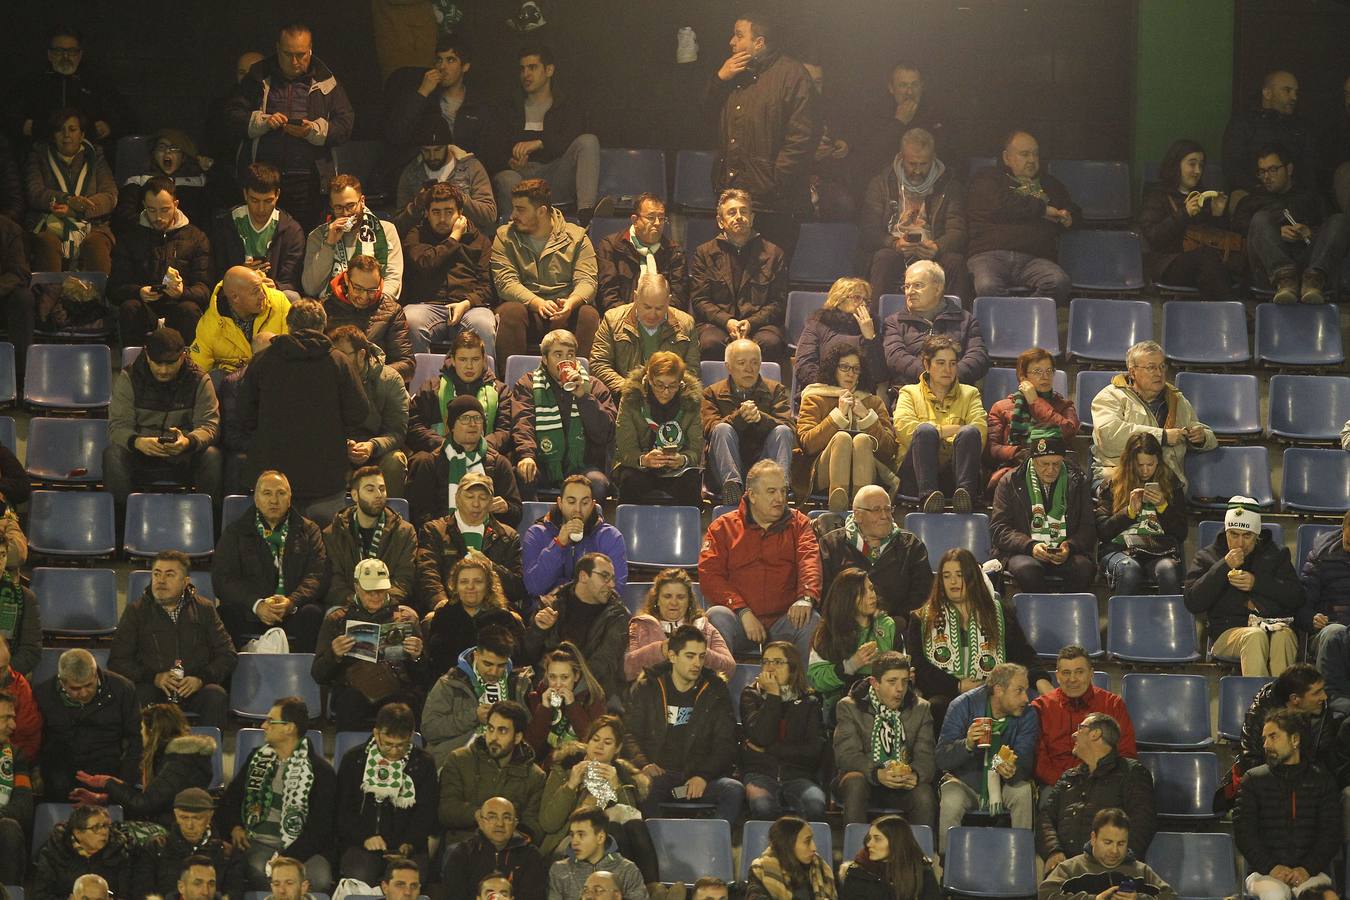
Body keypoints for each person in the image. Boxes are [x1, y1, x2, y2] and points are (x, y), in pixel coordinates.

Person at [238, 300, 372, 524]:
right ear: (323, 325)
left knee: (273, 545)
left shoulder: (264, 360)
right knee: (327, 547)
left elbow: (243, 414)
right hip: (326, 477)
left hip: (274, 476)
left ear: (288, 324)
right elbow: (358, 413)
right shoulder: (338, 362)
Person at [706, 11, 817, 254]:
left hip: (775, 204)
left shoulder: (792, 75)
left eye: (738, 35)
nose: (731, 42)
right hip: (734, 198)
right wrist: (719, 80)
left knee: (771, 279)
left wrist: (775, 181)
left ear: (759, 42)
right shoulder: (733, 76)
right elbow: (702, 120)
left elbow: (803, 138)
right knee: (732, 278)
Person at [226, 24, 355, 232]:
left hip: (310, 183)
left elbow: (346, 126)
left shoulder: (327, 81)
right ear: (277, 49)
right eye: (288, 54)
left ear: (311, 50)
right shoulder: (257, 77)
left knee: (309, 239)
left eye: (301, 54)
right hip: (264, 182)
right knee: (264, 242)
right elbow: (232, 117)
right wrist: (263, 122)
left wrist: (313, 131)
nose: (295, 61)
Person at [907, 548, 1047, 727]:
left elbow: (1023, 655)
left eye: (959, 575)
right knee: (936, 706)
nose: (953, 582)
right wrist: (957, 686)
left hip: (993, 692)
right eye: (947, 576)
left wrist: (1042, 682)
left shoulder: (1000, 613)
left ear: (972, 577)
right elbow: (919, 666)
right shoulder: (922, 618)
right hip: (945, 695)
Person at [700, 459, 822, 663]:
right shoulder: (722, 527)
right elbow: (710, 576)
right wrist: (742, 610)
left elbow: (809, 561)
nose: (780, 498)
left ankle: (805, 693)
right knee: (716, 616)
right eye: (772, 491)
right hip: (739, 620)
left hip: (784, 620)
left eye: (783, 491)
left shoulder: (799, 523)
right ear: (753, 495)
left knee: (812, 621)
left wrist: (806, 598)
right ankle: (717, 692)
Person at [625, 624, 745, 824]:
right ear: (672, 656)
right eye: (690, 656)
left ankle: (709, 848)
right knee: (643, 788)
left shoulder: (715, 689)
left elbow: (726, 742)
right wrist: (643, 764)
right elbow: (629, 733)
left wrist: (703, 776)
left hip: (700, 776)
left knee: (733, 790)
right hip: (660, 775)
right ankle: (660, 850)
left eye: (701, 656)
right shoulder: (649, 686)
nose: (697, 663)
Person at [107, 550, 236, 729]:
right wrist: (154, 677)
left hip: (193, 688)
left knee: (216, 696)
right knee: (137, 695)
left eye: (169, 575)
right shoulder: (136, 611)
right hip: (153, 688)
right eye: (156, 574)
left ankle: (207, 754)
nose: (160, 580)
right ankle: (143, 753)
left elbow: (227, 655)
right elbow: (117, 660)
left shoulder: (205, 609)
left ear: (185, 582)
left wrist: (200, 678)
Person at [219, 696, 336, 891]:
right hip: (258, 843)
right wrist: (235, 827)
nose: (264, 726)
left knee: (320, 879)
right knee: (261, 872)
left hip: (304, 849)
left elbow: (321, 827)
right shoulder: (256, 760)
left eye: (271, 721)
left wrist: (289, 858)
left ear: (289, 727)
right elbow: (230, 800)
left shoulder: (320, 771)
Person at [105, 327, 223, 519]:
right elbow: (117, 426)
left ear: (183, 356)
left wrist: (189, 442)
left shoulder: (199, 380)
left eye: (170, 363)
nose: (163, 370)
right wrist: (136, 442)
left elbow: (210, 425)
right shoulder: (129, 378)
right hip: (141, 454)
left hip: (184, 455)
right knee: (113, 455)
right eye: (157, 363)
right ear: (147, 355)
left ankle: (209, 525)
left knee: (212, 456)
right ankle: (121, 526)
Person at [1184, 497, 1304, 677]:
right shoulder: (1208, 557)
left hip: (1274, 624)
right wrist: (1223, 566)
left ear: (1257, 535)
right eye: (1234, 534)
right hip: (1229, 632)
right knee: (1254, 637)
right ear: (1226, 532)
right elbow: (1193, 601)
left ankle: (1282, 702)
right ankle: (1259, 702)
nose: (1240, 543)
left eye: (1247, 536)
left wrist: (1257, 583)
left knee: (1283, 636)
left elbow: (1296, 597)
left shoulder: (1276, 555)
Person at [214, 470, 328, 653]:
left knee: (314, 614)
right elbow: (223, 579)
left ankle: (303, 678)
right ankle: (231, 680)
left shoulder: (309, 530)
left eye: (281, 493)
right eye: (267, 493)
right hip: (250, 612)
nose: (274, 500)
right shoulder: (235, 532)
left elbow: (317, 575)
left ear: (290, 498)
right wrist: (256, 604)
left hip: (293, 611)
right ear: (256, 499)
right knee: (225, 614)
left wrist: (291, 601)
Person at [1233, 709, 1340, 900]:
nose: (1266, 745)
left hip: (1312, 872)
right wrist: (1271, 867)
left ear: (1295, 740)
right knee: (1275, 894)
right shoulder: (1252, 780)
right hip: (1263, 872)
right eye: (1264, 739)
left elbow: (1330, 833)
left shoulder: (1323, 781)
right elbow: (1244, 834)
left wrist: (1307, 868)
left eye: (1273, 737)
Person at [490, 46, 604, 223]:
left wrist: (540, 142)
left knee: (588, 141)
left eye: (533, 67)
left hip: (555, 174)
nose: (526, 74)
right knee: (506, 178)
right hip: (521, 177)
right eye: (522, 69)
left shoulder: (565, 105)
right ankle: (514, 231)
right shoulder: (509, 107)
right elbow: (491, 146)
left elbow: (572, 136)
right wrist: (510, 162)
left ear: (549, 70)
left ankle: (586, 216)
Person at [536, 716, 657, 883]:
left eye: (607, 742)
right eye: (595, 739)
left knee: (634, 826)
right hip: (570, 841)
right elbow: (548, 823)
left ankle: (652, 887)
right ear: (588, 742)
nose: (599, 746)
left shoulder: (623, 775)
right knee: (613, 830)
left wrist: (616, 787)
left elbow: (630, 815)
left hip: (608, 841)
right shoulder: (564, 769)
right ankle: (631, 890)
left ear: (617, 748)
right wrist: (571, 785)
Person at [935, 663, 1039, 854]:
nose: (1026, 698)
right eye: (1019, 691)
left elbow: (1026, 758)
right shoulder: (962, 706)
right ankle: (946, 864)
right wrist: (966, 744)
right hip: (965, 781)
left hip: (1004, 784)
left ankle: (1021, 859)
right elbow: (942, 758)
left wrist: (1014, 769)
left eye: (1026, 690)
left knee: (1023, 791)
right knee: (950, 800)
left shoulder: (1028, 713)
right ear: (999, 690)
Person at [965, 130, 1080, 303]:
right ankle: (1009, 323)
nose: (1032, 160)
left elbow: (1073, 209)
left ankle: (1024, 318)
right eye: (1025, 154)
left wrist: (1069, 216)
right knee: (987, 285)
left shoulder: (1050, 183)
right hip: (989, 255)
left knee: (1059, 281)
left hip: (1034, 258)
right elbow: (1000, 205)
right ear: (1006, 157)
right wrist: (1043, 210)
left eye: (1035, 154)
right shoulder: (988, 178)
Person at [493, 180, 601, 362]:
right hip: (527, 309)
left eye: (520, 209)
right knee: (511, 311)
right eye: (513, 208)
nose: (512, 215)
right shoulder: (505, 236)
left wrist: (571, 302)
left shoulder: (577, 237)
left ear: (542, 211)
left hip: (564, 309)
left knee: (588, 315)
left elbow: (587, 280)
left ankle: (580, 382)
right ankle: (511, 382)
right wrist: (536, 302)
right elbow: (505, 282)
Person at [313, 559, 425, 730]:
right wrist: (334, 654)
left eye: (380, 590)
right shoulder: (337, 619)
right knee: (350, 701)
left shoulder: (406, 618)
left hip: (395, 688)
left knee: (407, 702)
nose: (376, 596)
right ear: (357, 587)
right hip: (353, 691)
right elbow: (318, 674)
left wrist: (418, 656)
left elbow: (424, 677)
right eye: (369, 591)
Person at [864, 128, 969, 309]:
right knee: (883, 259)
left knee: (956, 263)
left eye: (924, 164)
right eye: (912, 164)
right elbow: (868, 229)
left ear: (933, 158)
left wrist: (938, 246)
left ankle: (957, 326)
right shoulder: (881, 183)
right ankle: (875, 323)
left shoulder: (949, 185)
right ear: (901, 157)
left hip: (932, 250)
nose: (918, 170)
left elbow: (957, 231)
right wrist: (894, 243)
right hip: (895, 250)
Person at [1230, 143, 1348, 304]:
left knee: (1340, 220)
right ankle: (1285, 279)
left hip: (1310, 267)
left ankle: (1313, 280)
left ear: (1289, 169)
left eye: (1273, 170)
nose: (1267, 176)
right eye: (1262, 171)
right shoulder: (1252, 200)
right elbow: (1239, 229)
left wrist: (1309, 232)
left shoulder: (1311, 197)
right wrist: (1275, 232)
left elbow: (1331, 232)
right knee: (1260, 219)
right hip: (1270, 273)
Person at [334, 702, 439, 883]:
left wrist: (408, 845)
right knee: (361, 876)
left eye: (401, 745)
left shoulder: (423, 763)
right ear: (376, 734)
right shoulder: (354, 760)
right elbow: (342, 812)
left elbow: (426, 814)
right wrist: (365, 838)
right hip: (361, 845)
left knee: (406, 882)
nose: (394, 751)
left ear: (411, 736)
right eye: (388, 744)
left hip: (409, 848)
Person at [1036, 713, 1156, 870]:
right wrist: (1053, 851)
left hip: (1109, 871)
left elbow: (1141, 827)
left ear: (1095, 734)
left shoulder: (1132, 773)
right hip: (1064, 869)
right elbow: (1045, 817)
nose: (1073, 735)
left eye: (1080, 728)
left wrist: (1113, 862)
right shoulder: (1069, 777)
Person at [508, 330, 616, 502]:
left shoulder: (594, 387)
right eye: (558, 355)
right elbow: (522, 423)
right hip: (541, 462)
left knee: (599, 484)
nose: (565, 361)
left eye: (570, 355)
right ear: (544, 359)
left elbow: (605, 433)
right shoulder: (527, 385)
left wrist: (583, 397)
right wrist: (526, 456)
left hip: (583, 466)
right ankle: (537, 527)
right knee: (522, 475)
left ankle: (584, 529)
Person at [1090, 341, 1216, 488]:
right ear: (1132, 372)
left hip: (1165, 482)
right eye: (1151, 368)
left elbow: (1209, 436)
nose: (1159, 373)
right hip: (1119, 477)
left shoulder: (1176, 399)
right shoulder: (1110, 396)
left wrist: (1201, 438)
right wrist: (1162, 436)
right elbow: (1108, 435)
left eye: (1162, 366)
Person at [833, 651, 936, 828]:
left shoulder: (921, 708)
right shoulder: (849, 706)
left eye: (905, 681)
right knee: (855, 782)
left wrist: (916, 774)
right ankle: (854, 852)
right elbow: (846, 755)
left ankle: (921, 854)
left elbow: (926, 756)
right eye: (892, 681)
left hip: (902, 783)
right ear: (875, 683)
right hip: (865, 779)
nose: (900, 689)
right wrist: (876, 773)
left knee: (924, 793)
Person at [70, 704, 215, 826]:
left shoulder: (180, 761)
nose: (140, 734)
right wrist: (103, 799)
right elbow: (154, 799)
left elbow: (145, 805)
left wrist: (107, 783)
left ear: (151, 731)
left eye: (141, 729)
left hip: (175, 831)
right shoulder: (171, 757)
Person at [991, 428, 1098, 593]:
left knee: (1083, 569)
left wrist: (1070, 546)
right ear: (1033, 460)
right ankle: (1037, 617)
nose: (1050, 470)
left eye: (1056, 464)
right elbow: (999, 529)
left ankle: (1068, 614)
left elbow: (1088, 527)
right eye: (1044, 464)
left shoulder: (1077, 480)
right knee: (1028, 570)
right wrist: (1030, 545)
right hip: (1023, 551)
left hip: (1065, 551)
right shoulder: (1010, 481)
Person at [109, 177, 213, 347]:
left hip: (179, 308)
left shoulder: (196, 237)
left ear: (176, 204)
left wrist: (182, 292)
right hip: (144, 308)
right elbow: (114, 288)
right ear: (143, 205)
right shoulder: (130, 237)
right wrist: (139, 292)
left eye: (165, 210)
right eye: (152, 210)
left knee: (189, 309)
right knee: (130, 307)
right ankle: (133, 367)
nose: (158, 217)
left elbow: (205, 289)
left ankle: (189, 366)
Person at [689, 189, 789, 365]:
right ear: (721, 221)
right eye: (732, 212)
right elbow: (700, 300)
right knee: (709, 344)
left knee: (770, 344)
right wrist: (727, 321)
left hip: (760, 325)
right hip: (717, 325)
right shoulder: (703, 253)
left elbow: (778, 303)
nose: (739, 216)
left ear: (752, 218)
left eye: (744, 211)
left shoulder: (774, 254)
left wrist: (750, 322)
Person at [796, 344, 898, 513]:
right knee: (842, 438)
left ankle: (863, 509)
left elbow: (888, 450)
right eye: (844, 367)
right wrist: (837, 416)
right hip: (822, 473)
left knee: (862, 439)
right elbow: (808, 444)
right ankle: (837, 508)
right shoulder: (815, 397)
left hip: (867, 471)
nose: (850, 373)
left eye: (856, 369)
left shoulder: (873, 402)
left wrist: (867, 417)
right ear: (833, 369)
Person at [401, 181, 497, 357]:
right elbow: (425, 263)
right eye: (436, 212)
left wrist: (467, 303)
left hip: (470, 307)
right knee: (410, 320)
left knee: (483, 324)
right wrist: (454, 237)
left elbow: (488, 286)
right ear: (427, 214)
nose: (443, 219)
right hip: (427, 306)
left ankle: (488, 382)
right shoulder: (416, 235)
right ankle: (420, 384)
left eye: (449, 212)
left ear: (460, 213)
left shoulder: (479, 240)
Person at [893, 334, 986, 514]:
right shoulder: (909, 393)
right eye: (940, 363)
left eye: (952, 363)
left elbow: (980, 433)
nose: (947, 369)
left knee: (970, 432)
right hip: (917, 474)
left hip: (955, 473)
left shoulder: (971, 393)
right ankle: (928, 497)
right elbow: (905, 431)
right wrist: (948, 431)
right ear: (927, 365)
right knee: (925, 431)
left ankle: (965, 497)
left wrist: (949, 433)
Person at [1137, 139, 1238, 300]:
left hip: (1203, 264)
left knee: (1212, 264)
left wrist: (1217, 214)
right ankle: (1238, 316)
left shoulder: (1204, 195)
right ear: (1176, 165)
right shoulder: (1157, 194)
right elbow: (1153, 236)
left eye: (1201, 165)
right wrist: (1184, 213)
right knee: (1207, 258)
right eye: (1192, 164)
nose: (1197, 170)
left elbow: (1215, 239)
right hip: (1168, 264)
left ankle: (1230, 316)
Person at [819, 486, 933, 628]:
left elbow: (922, 594)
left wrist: (897, 621)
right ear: (858, 515)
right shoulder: (831, 545)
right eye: (877, 510)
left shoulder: (911, 546)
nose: (885, 516)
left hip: (897, 627)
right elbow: (826, 595)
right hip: (845, 629)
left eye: (888, 509)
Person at [35, 649, 141, 800]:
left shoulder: (123, 689)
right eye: (75, 688)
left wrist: (123, 785)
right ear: (62, 681)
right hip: (60, 772)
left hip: (109, 770)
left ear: (96, 674)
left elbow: (135, 742)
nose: (84, 693)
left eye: (89, 685)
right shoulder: (43, 694)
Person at [438, 700, 547, 845]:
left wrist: (505, 833)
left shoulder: (535, 776)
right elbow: (446, 810)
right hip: (463, 845)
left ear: (517, 737)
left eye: (502, 731)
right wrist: (480, 815)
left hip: (509, 850)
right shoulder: (459, 760)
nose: (493, 737)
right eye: (490, 729)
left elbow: (532, 826)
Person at [417, 468, 525, 614]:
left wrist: (491, 566)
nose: (476, 504)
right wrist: (440, 602)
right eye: (469, 497)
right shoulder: (435, 530)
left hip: (493, 610)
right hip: (447, 606)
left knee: (514, 620)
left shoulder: (508, 536)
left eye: (482, 498)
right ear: (457, 498)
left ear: (491, 501)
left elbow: (517, 587)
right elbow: (427, 573)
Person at [407, 394, 522, 530]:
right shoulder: (430, 462)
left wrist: (506, 508)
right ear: (451, 426)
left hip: (489, 540)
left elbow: (516, 514)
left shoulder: (499, 463)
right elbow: (420, 515)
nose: (472, 424)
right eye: (465, 418)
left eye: (477, 418)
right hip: (442, 539)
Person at [701, 338, 794, 505]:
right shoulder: (711, 393)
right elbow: (709, 429)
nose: (749, 369)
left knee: (783, 431)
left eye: (754, 363)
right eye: (741, 363)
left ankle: (780, 487)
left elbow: (789, 426)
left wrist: (761, 418)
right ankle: (733, 488)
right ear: (728, 366)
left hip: (763, 464)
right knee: (722, 429)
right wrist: (739, 418)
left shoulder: (776, 390)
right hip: (725, 466)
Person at [24, 108, 117, 274]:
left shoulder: (96, 156)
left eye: (72, 129)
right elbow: (35, 192)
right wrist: (66, 199)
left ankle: (95, 297)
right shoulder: (39, 155)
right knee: (46, 242)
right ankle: (50, 296)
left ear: (82, 135)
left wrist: (77, 211)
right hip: (50, 223)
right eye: (60, 130)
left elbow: (110, 196)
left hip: (92, 224)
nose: (66, 135)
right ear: (53, 135)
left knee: (96, 244)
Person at [741, 642, 828, 820]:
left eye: (778, 662)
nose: (770, 667)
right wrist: (773, 695)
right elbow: (761, 736)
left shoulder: (809, 701)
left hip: (798, 775)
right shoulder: (751, 696)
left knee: (815, 804)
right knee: (763, 806)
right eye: (766, 661)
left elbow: (813, 751)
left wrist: (770, 750)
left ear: (793, 667)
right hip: (760, 774)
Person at [1095, 432, 1187, 596]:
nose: (1145, 470)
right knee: (1129, 571)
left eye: (1150, 465)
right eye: (1139, 465)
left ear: (1158, 461)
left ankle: (1168, 621)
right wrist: (1129, 512)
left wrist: (1162, 507)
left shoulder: (1171, 483)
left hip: (1159, 549)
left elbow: (1181, 532)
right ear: (1130, 463)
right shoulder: (1113, 484)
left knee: (1168, 571)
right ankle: (1122, 621)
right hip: (1120, 549)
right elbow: (1102, 531)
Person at [422, 630, 533, 767]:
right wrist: (473, 716)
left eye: (501, 666)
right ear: (476, 655)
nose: (494, 672)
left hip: (507, 767)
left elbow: (528, 731)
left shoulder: (519, 684)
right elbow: (430, 730)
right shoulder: (450, 683)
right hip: (457, 764)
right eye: (488, 664)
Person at [1031, 645, 1137, 787]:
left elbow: (1125, 753)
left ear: (1091, 673)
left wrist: (1100, 784)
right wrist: (1065, 784)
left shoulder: (1112, 704)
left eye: (1079, 672)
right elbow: (1039, 762)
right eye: (1066, 673)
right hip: (1058, 786)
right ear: (1057, 676)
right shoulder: (1040, 707)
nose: (1072, 679)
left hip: (1104, 784)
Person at [523, 554, 627, 699]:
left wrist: (570, 692)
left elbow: (603, 664)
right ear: (584, 576)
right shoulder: (551, 605)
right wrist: (539, 630)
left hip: (591, 696)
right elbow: (527, 655)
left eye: (612, 578)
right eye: (605, 576)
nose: (612, 585)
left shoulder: (617, 615)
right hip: (547, 690)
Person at [15, 25, 132, 149]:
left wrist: (109, 126)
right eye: (59, 51)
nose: (66, 57)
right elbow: (9, 118)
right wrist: (25, 126)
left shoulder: (96, 82)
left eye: (71, 51)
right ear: (50, 55)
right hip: (40, 153)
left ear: (80, 55)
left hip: (89, 155)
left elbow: (125, 117)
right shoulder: (32, 83)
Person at [328, 325, 412, 498]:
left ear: (361, 355)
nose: (337, 360)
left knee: (395, 460)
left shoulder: (390, 380)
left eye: (343, 355)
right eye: (334, 355)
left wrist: (372, 446)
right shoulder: (327, 379)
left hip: (378, 451)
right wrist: (343, 445)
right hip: (340, 451)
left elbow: (397, 432)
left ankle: (391, 517)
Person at [985, 348, 1080, 498]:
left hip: (1054, 467)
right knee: (1014, 479)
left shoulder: (1064, 406)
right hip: (1015, 466)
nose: (1045, 376)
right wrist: (1017, 452)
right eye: (1037, 371)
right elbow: (993, 448)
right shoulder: (1001, 407)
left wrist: (1036, 402)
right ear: (1023, 377)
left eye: (1049, 371)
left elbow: (1067, 430)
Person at [613, 350, 704, 506]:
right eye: (659, 385)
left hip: (677, 469)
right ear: (649, 378)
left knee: (691, 483)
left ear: (681, 382)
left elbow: (696, 449)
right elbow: (625, 448)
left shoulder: (691, 401)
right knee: (630, 481)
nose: (665, 392)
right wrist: (644, 459)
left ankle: (684, 529)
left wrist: (682, 459)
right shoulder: (631, 398)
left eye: (673, 386)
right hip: (640, 466)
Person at [422, 551, 526, 686]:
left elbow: (515, 660)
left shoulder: (504, 618)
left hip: (496, 686)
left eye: (478, 581)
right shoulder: (443, 617)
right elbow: (435, 664)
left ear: (488, 586)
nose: (470, 587)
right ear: (455, 586)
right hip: (452, 688)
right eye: (464, 581)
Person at [383, 33, 492, 162]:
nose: (442, 67)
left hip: (463, 170)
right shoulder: (425, 96)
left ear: (465, 66)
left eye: (450, 60)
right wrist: (422, 92)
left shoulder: (478, 104)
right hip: (427, 167)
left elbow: (486, 150)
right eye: (439, 60)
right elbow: (396, 135)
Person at [881, 260, 986, 389]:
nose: (910, 292)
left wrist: (949, 375)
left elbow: (978, 356)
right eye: (907, 286)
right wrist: (931, 376)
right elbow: (896, 358)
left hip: (956, 394)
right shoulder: (894, 322)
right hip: (910, 396)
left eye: (917, 285)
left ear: (938, 288)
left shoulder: (966, 320)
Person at [1229, 665, 1338, 790]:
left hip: (1309, 788)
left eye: (1322, 689)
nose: (1324, 696)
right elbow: (1250, 760)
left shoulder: (1322, 709)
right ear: (1295, 698)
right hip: (1268, 790)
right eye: (1317, 693)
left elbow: (1326, 759)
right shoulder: (1261, 713)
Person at [591, 273, 699, 396]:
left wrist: (667, 390)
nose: (652, 315)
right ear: (636, 297)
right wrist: (630, 388)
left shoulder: (686, 324)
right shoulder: (612, 320)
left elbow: (692, 371)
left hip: (670, 399)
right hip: (624, 397)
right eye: (647, 307)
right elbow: (599, 364)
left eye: (659, 308)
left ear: (668, 300)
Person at [522, 474, 628, 600]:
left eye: (584, 502)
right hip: (549, 611)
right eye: (571, 502)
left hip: (594, 613)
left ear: (593, 504)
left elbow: (615, 589)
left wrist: (565, 594)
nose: (577, 509)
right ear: (560, 503)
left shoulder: (610, 536)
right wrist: (558, 545)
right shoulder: (536, 534)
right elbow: (534, 587)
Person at [323, 467, 418, 606]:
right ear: (355, 495)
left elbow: (405, 578)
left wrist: (381, 600)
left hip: (389, 606)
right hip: (348, 607)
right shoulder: (333, 533)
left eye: (382, 488)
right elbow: (334, 581)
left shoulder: (404, 532)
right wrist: (357, 601)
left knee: (411, 617)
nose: (379, 494)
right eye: (370, 489)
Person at [303, 175, 405, 303]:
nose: (346, 213)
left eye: (351, 206)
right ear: (331, 206)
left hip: (375, 306)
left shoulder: (386, 231)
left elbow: (393, 280)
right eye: (339, 208)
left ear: (362, 201)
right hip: (333, 309)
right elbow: (311, 288)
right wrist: (329, 244)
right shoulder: (317, 236)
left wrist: (369, 302)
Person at [407, 330, 510, 453]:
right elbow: (413, 426)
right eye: (463, 359)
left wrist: (479, 447)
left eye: (475, 359)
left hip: (486, 457)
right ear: (453, 361)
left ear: (483, 360)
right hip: (440, 454)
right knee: (421, 461)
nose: (469, 366)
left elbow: (506, 431)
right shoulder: (431, 387)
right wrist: (445, 445)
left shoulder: (501, 391)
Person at [624, 568, 735, 682]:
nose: (674, 602)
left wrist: (698, 652)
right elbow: (626, 669)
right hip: (653, 695)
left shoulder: (703, 626)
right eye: (667, 596)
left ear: (689, 601)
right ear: (657, 600)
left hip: (696, 695)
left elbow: (729, 668)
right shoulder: (641, 625)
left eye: (680, 597)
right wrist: (661, 650)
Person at [213, 161, 306, 297]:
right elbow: (215, 272)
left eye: (268, 201)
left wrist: (276, 286)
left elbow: (291, 279)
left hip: (274, 295)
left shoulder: (291, 231)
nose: (261, 209)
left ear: (278, 195)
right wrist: (239, 275)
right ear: (245, 194)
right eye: (255, 200)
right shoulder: (226, 224)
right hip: (236, 295)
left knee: (292, 296)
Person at [134, 788, 246, 900]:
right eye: (184, 817)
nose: (190, 825)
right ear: (176, 815)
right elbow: (143, 892)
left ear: (210, 817)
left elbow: (234, 893)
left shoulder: (227, 854)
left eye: (197, 818)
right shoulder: (155, 848)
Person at [1039, 809, 1176, 900]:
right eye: (1108, 842)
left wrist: (1138, 899)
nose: (1115, 851)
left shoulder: (1141, 871)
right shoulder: (1070, 869)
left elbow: (1170, 896)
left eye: (1121, 843)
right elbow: (1045, 894)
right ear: (1093, 838)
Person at [808, 569, 898, 708]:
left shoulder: (887, 625)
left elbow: (902, 665)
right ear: (846, 598)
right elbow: (817, 679)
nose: (872, 595)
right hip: (840, 703)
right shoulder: (827, 631)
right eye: (863, 592)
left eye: (871, 589)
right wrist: (851, 665)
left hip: (883, 700)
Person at [792, 277, 884, 409]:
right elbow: (804, 365)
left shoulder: (871, 328)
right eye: (857, 298)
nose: (863, 304)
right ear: (839, 299)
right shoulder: (818, 323)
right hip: (823, 395)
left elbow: (879, 374)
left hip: (860, 397)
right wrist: (833, 389)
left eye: (866, 301)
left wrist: (870, 338)